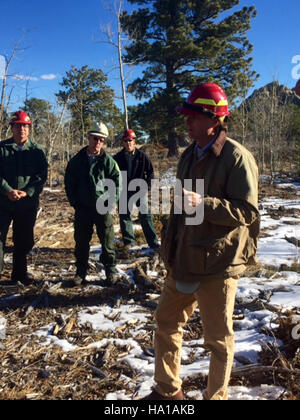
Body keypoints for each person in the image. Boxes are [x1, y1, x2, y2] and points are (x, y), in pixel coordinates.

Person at [142, 83, 260, 400]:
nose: (187, 123)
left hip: (219, 264)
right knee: (166, 323)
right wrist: (169, 246)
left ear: (212, 119)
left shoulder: (237, 158)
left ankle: (215, 397)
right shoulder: (188, 156)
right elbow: (182, 208)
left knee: (218, 339)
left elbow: (247, 212)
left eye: (193, 117)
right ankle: (168, 392)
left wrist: (204, 204)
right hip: (184, 259)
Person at [65, 122, 121, 286]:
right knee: (81, 242)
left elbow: (117, 183)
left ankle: (110, 271)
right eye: (95, 138)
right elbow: (69, 182)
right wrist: (75, 202)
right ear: (88, 138)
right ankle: (80, 273)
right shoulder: (77, 160)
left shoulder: (108, 162)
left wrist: (111, 202)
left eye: (101, 140)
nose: (98, 142)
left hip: (102, 208)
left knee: (108, 241)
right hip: (83, 208)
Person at [0, 111, 48, 285]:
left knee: (24, 240)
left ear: (29, 129)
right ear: (11, 127)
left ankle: (20, 274)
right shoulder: (2, 148)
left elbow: (41, 176)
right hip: (3, 203)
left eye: (25, 126)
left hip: (26, 204)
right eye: (18, 125)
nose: (22, 129)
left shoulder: (36, 151)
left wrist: (27, 191)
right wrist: (7, 190)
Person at [114, 129, 159, 253]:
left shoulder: (142, 156)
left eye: (130, 140)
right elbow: (111, 174)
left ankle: (153, 242)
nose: (128, 143)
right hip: (123, 190)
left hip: (139, 189)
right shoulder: (117, 158)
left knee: (145, 215)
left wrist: (147, 187)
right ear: (122, 142)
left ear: (134, 141)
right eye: (126, 141)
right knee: (124, 216)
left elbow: (150, 173)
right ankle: (129, 242)